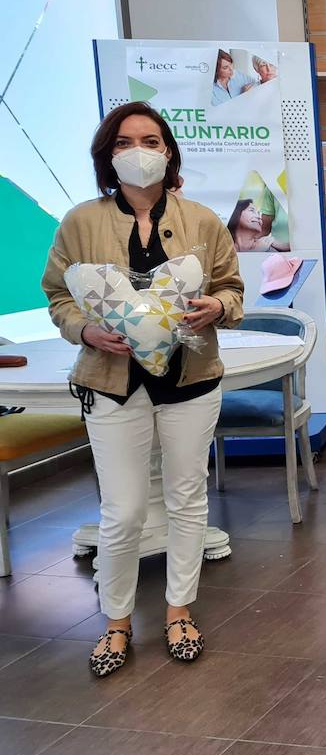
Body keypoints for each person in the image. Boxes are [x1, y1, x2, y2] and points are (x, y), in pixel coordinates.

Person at [41, 102, 243, 677]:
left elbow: (232, 291)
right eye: (125, 142)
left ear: (169, 150)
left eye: (151, 141)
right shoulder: (80, 222)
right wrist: (84, 329)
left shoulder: (202, 220)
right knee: (123, 511)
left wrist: (216, 308)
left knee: (186, 499)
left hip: (191, 380)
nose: (139, 151)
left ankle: (179, 611)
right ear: (108, 154)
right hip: (111, 384)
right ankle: (117, 621)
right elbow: (58, 295)